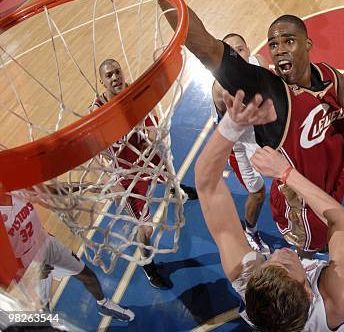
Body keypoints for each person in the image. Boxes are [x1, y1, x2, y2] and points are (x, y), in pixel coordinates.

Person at [120, 0, 344, 255]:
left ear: (307, 45)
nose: (279, 50)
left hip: (333, 189)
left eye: (288, 42)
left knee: (335, 251)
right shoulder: (269, 91)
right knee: (315, 261)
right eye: (274, 43)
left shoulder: (330, 77)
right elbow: (205, 45)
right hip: (301, 208)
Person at [195, 90, 344, 331]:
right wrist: (286, 173)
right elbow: (341, 222)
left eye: (268, 262)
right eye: (285, 265)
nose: (279, 253)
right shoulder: (338, 299)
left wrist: (232, 126)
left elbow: (207, 185)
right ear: (309, 294)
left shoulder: (249, 280)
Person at [92, 58, 198, 289]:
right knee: (146, 228)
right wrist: (112, 180)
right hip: (125, 173)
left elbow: (151, 125)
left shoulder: (133, 93)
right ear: (102, 81)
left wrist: (153, 134)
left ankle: (177, 189)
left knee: (168, 168)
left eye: (117, 72)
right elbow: (96, 154)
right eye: (109, 75)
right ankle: (148, 266)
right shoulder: (97, 112)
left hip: (144, 155)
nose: (115, 77)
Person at [0, 191, 134, 322]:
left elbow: (50, 190)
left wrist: (84, 188)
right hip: (26, 263)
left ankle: (104, 304)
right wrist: (29, 273)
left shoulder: (17, 188)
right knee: (41, 310)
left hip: (45, 241)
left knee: (88, 276)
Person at [211, 34, 270, 253]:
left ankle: (297, 224)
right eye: (231, 52)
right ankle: (250, 231)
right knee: (258, 193)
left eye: (241, 49)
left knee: (291, 178)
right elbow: (226, 131)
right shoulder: (220, 89)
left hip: (263, 132)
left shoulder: (260, 62)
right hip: (240, 144)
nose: (238, 55)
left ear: (249, 49)